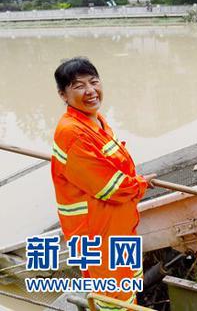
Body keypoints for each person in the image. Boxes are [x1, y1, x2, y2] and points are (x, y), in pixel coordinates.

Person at [51, 57, 155, 311]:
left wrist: (136, 182)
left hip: (114, 222)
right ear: (63, 95)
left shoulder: (95, 121)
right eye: (78, 86)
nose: (90, 91)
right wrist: (139, 184)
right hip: (96, 229)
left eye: (93, 82)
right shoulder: (72, 132)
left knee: (126, 283)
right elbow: (109, 186)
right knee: (112, 292)